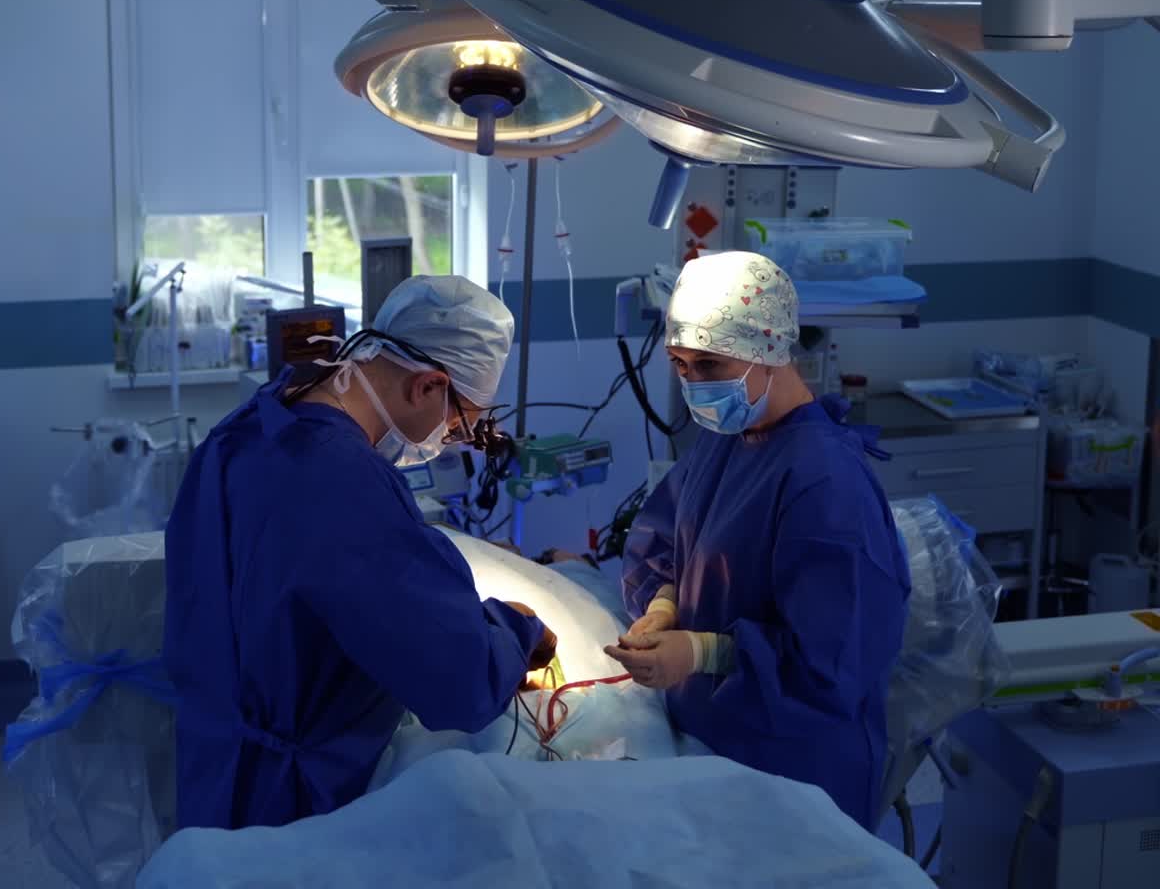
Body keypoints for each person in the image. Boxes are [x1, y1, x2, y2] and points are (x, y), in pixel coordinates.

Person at [164, 275, 556, 832]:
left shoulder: (250, 429)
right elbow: (456, 680)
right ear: (426, 387)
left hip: (216, 762)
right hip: (292, 798)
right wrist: (517, 632)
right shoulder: (341, 479)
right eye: (458, 421)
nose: (448, 438)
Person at [606, 251, 909, 830]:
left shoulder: (825, 481)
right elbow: (666, 538)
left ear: (769, 354)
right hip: (715, 739)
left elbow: (833, 662)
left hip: (798, 772)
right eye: (678, 363)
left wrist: (702, 653)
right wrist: (666, 605)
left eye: (710, 364)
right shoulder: (731, 437)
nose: (692, 381)